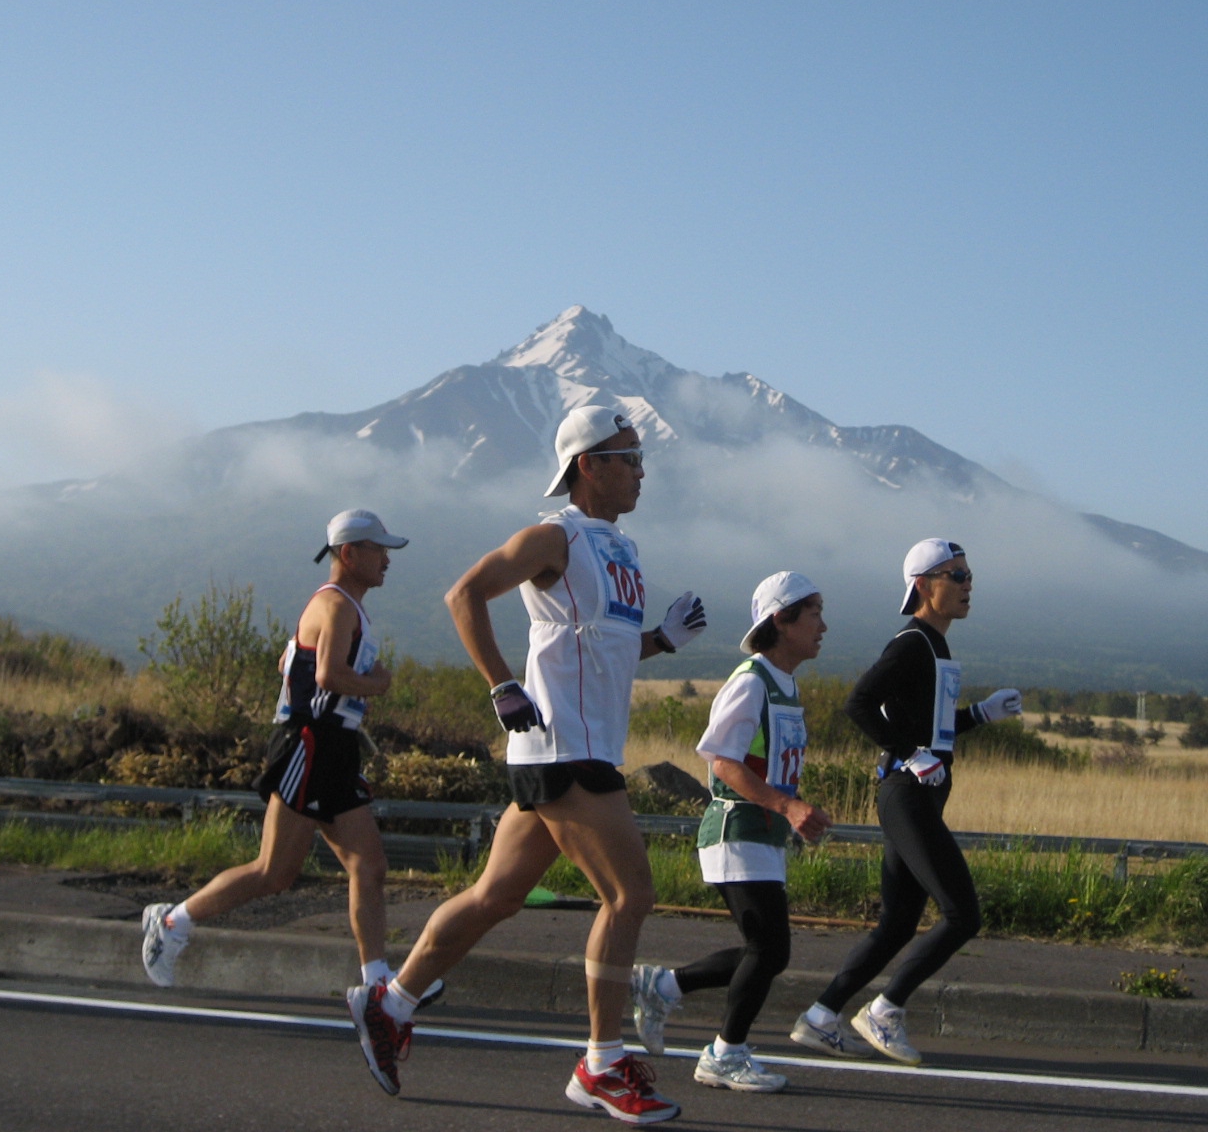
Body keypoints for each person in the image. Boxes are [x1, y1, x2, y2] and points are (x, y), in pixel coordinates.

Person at [358, 405, 707, 1125]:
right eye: (630, 457)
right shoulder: (553, 536)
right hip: (563, 749)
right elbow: (464, 594)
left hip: (581, 746)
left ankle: (389, 1005)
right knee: (629, 896)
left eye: (642, 458)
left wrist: (661, 642)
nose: (642, 470)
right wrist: (500, 683)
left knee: (497, 897)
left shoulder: (621, 550)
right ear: (589, 465)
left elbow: (601, 649)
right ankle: (602, 1064)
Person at [141, 509, 443, 1026]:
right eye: (379, 550)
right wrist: (378, 683)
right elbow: (328, 674)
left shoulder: (340, 607)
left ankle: (376, 982)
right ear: (349, 554)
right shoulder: (336, 605)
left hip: (335, 748)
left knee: (368, 866)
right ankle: (171, 922)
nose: (387, 560)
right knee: (274, 872)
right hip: (309, 745)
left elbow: (293, 664)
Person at [790, 538, 1020, 1065]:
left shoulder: (935, 646)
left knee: (897, 923)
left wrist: (981, 715)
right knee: (962, 914)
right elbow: (859, 703)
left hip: (918, 796)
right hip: (907, 796)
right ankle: (884, 1010)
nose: (968, 584)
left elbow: (932, 728)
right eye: (955, 575)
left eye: (968, 574)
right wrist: (910, 754)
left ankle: (822, 1017)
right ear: (923, 585)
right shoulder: (913, 642)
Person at [629, 572, 833, 1094]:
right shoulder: (751, 681)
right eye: (813, 613)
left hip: (762, 833)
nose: (823, 626)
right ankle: (725, 1053)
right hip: (735, 828)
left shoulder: (786, 684)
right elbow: (723, 762)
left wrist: (791, 812)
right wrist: (788, 806)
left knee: (768, 951)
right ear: (781, 620)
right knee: (768, 949)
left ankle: (666, 986)